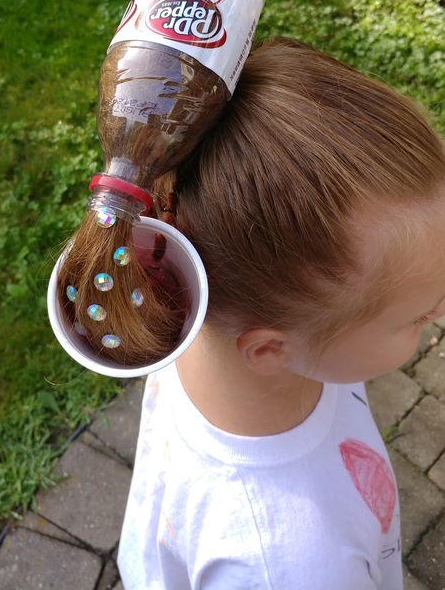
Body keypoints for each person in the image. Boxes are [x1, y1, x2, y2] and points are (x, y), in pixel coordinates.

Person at [116, 37, 445, 590]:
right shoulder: (289, 565)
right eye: (414, 318)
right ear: (270, 349)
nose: (439, 312)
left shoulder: (198, 309)